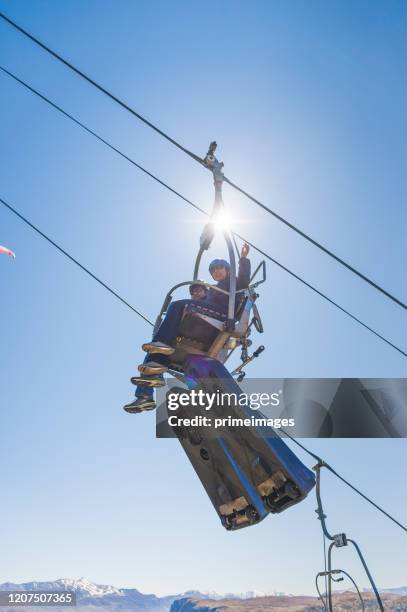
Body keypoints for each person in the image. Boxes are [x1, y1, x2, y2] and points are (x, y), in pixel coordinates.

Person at [123, 244, 250, 413]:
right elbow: (202, 300)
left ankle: (161, 345)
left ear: (227, 269)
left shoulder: (231, 283)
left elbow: (244, 279)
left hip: (219, 316)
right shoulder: (214, 290)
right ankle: (144, 396)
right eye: (213, 271)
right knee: (155, 353)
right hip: (206, 320)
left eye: (219, 268)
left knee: (177, 306)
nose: (216, 272)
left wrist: (243, 259)